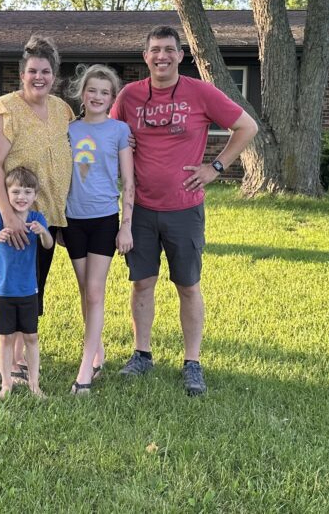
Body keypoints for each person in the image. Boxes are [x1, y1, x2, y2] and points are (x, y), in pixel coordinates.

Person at [110, 25, 258, 396]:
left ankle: (192, 362)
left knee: (187, 286)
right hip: (140, 207)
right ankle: (142, 354)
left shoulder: (200, 92)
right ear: (145, 57)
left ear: (181, 55)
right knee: (142, 282)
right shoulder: (130, 96)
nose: (162, 56)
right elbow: (108, 134)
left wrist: (216, 167)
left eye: (169, 50)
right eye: (155, 50)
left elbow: (246, 126)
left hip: (184, 209)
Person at [0, 35, 73, 381]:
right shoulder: (3, 110)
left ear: (54, 75)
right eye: (32, 71)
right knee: (15, 281)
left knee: (35, 284)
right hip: (9, 214)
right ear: (22, 74)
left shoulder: (63, 110)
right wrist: (10, 219)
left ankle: (17, 357)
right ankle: (7, 362)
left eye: (45, 71)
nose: (39, 77)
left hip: (43, 216)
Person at [62, 64, 134, 395]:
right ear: (82, 92)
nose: (98, 96)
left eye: (105, 92)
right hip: (73, 220)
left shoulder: (120, 131)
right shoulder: (69, 130)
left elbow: (129, 183)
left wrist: (126, 227)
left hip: (104, 219)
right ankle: (98, 351)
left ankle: (84, 370)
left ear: (112, 98)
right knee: (83, 291)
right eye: (92, 90)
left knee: (95, 292)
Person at [0, 166, 53, 399]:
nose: (22, 197)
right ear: (6, 194)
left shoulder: (36, 218)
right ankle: (6, 383)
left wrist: (43, 232)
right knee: (6, 338)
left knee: (31, 336)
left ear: (35, 195)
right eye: (16, 192)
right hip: (3, 289)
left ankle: (34, 384)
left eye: (28, 192)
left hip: (28, 290)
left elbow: (49, 244)